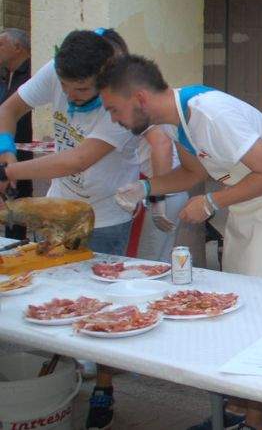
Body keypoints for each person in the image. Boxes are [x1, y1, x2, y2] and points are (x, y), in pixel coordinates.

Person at [99, 54, 262, 430]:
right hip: (245, 202)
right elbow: (192, 173)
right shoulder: (174, 121)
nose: (114, 119)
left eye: (115, 109)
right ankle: (238, 408)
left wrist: (211, 202)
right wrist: (144, 188)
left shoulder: (210, 114)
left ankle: (254, 421)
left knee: (260, 309)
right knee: (239, 305)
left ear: (140, 98)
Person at [0, 29, 140, 430]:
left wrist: (9, 172)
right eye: (65, 88)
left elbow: (76, 160)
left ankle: (104, 387)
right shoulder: (56, 70)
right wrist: (6, 151)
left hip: (107, 214)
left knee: (106, 305)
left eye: (81, 90)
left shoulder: (123, 100)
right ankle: (63, 371)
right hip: (59, 208)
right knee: (52, 296)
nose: (71, 96)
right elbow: (8, 109)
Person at [97, 28, 188, 262]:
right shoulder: (121, 94)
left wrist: (158, 198)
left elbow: (162, 144)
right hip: (159, 186)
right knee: (157, 259)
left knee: (149, 262)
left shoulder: (131, 100)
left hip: (161, 186)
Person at [0, 28, 33, 238]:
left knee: (18, 200)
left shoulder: (33, 74)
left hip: (21, 150)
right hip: (5, 147)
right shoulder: (5, 75)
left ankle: (17, 242)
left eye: (1, 44)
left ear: (18, 48)